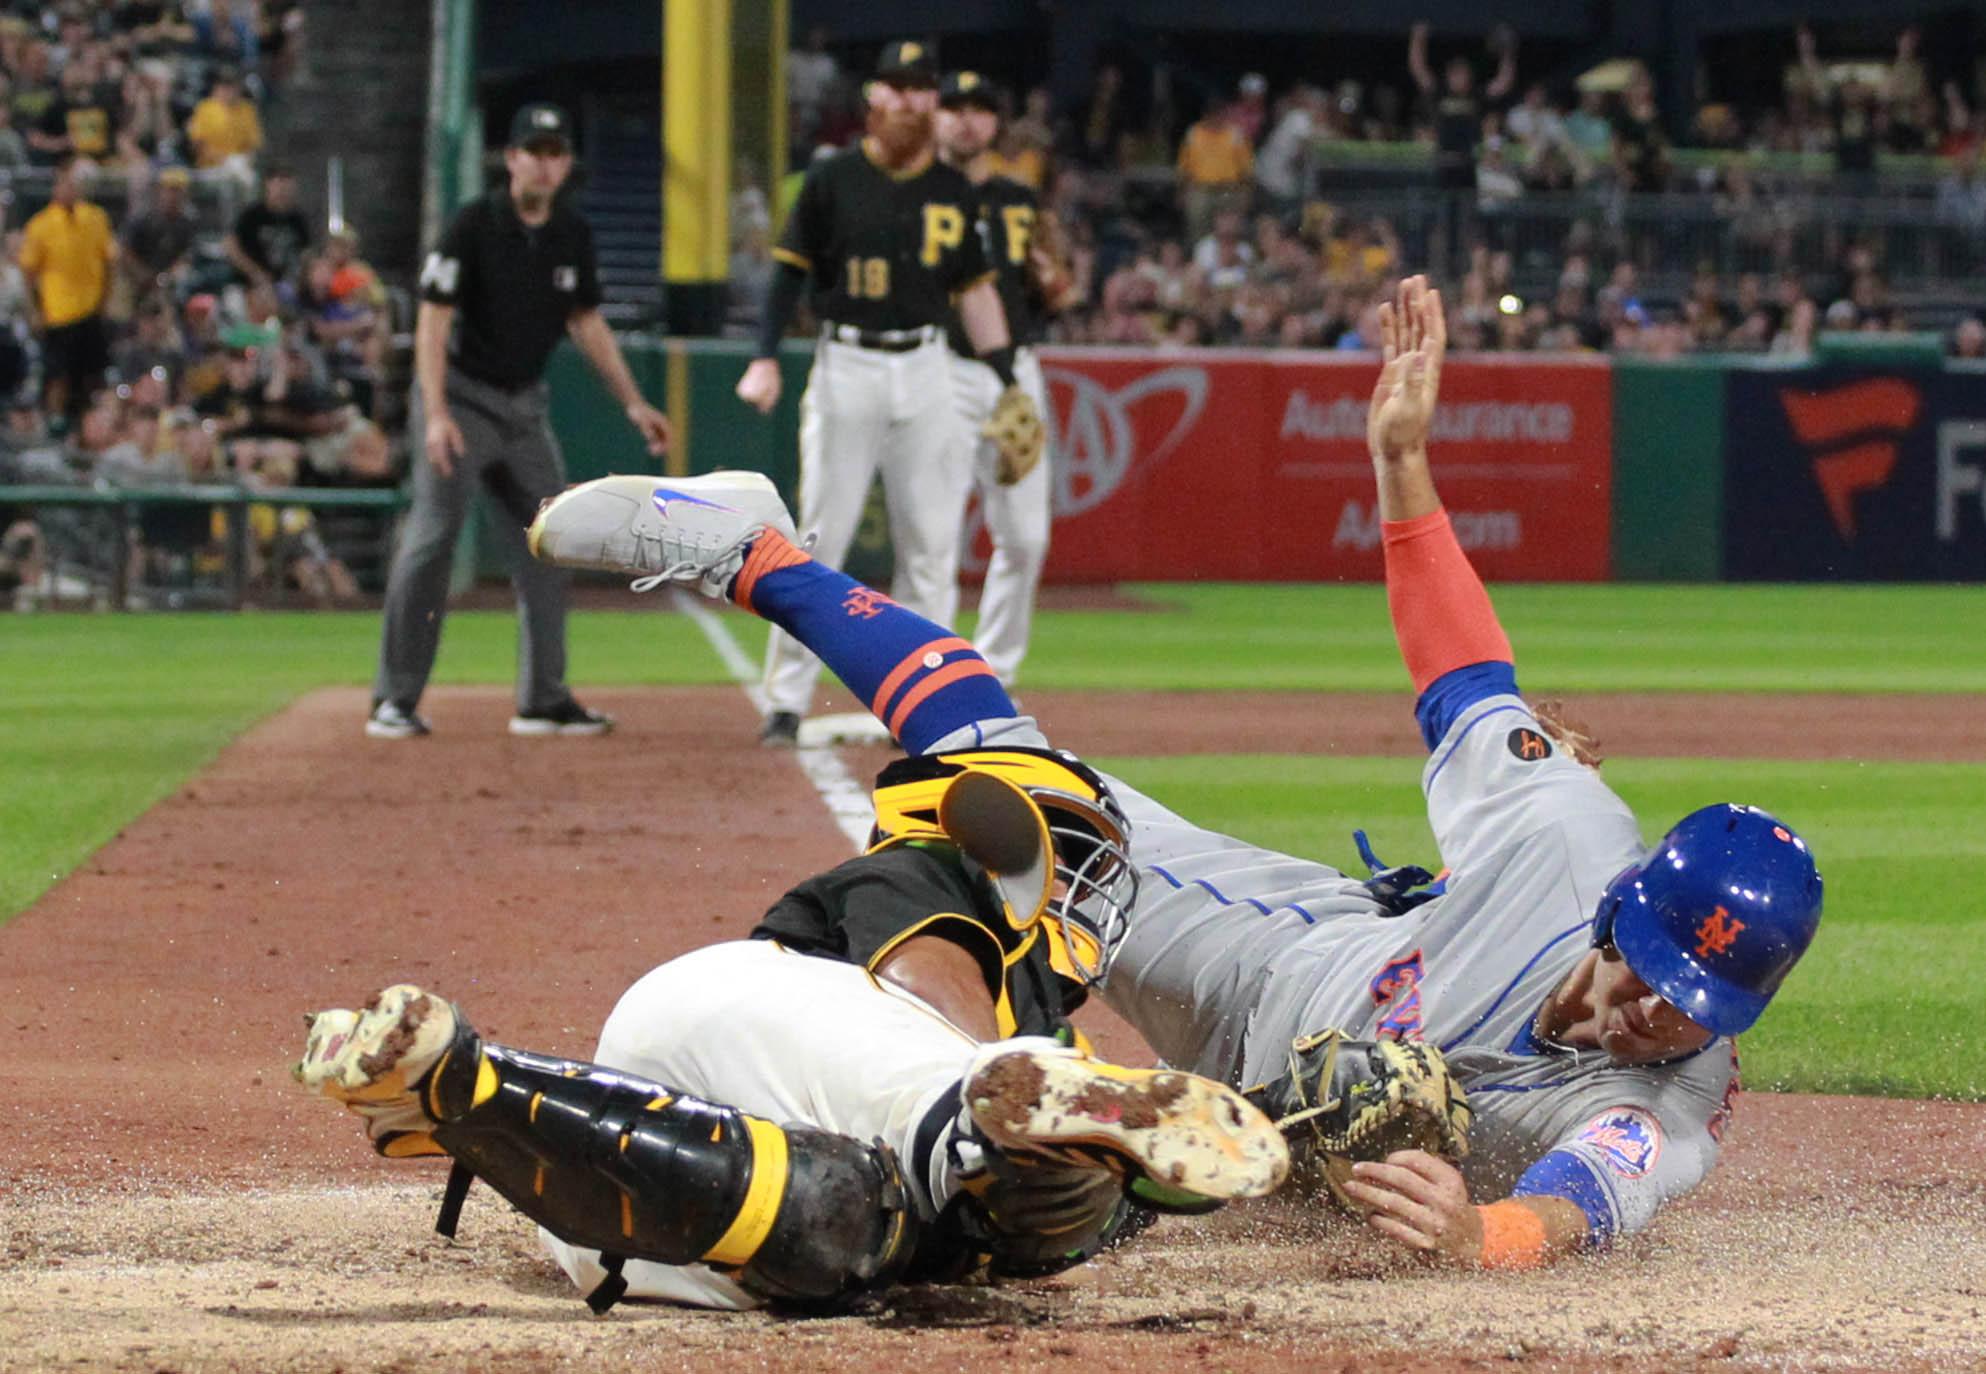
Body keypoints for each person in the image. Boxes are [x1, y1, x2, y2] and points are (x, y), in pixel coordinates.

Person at [529, 273, 1826, 1271]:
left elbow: (1599, 1188)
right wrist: (1398, 464)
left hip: (1285, 1142)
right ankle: (760, 551)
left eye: (1698, 1002)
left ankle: (984, 1106)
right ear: (1620, 912)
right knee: (1038, 797)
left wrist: (1484, 1233)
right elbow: (1462, 682)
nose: (1663, 1014)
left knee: (1039, 1210)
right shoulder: (1566, 836)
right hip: (1277, 960)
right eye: (1657, 973)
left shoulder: (1671, 1096)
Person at [296, 636, 1287, 1308]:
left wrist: (1172, 1183)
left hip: (678, 1147)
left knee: (857, 1236)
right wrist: (1007, 1095)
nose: (1083, 886)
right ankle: (973, 1136)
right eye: (1069, 852)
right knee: (962, 1150)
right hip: (754, 1018)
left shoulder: (1043, 1036)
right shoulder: (928, 871)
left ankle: (464, 1090)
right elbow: (917, 984)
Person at [734, 41, 1037, 747]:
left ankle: (926, 702)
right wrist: (764, 358)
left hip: (927, 365)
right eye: (897, 88)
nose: (910, 101)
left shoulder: (953, 191)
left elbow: (976, 292)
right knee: (818, 537)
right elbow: (787, 275)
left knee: (931, 544)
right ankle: (786, 699)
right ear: (873, 98)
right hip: (848, 363)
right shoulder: (833, 178)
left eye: (921, 89)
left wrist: (1006, 379)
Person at [369, 101, 670, 740]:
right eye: (532, 150)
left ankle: (543, 699)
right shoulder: (474, 224)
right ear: (511, 160)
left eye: (554, 152)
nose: (543, 162)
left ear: (565, 164)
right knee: (430, 543)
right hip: (461, 397)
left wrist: (633, 402)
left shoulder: (571, 233)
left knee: (552, 542)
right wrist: (436, 413)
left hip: (523, 407)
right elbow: (432, 318)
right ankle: (394, 700)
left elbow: (585, 322)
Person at [935, 70, 1076, 692]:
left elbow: (1046, 297)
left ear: (996, 122)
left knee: (1025, 536)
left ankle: (992, 673)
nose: (968, 119)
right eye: (956, 107)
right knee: (931, 536)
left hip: (1013, 366)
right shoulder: (917, 196)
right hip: (937, 363)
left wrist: (1056, 285)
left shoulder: (1019, 201)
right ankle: (926, 676)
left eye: (981, 108)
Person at [18, 152, 118, 418]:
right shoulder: (40, 225)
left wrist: (106, 300)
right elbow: (28, 274)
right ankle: (55, 421)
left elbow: (109, 263)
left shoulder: (96, 218)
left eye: (74, 184)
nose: (70, 189)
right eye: (65, 184)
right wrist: (33, 311)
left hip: (91, 309)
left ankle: (90, 424)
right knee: (58, 376)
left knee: (92, 376)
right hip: (58, 312)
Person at [224, 163, 310, 292]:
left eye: (287, 187)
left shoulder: (297, 219)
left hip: (284, 285)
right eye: (279, 186)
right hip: (249, 285)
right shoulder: (252, 215)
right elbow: (231, 246)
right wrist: (255, 273)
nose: (283, 192)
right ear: (268, 186)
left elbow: (306, 251)